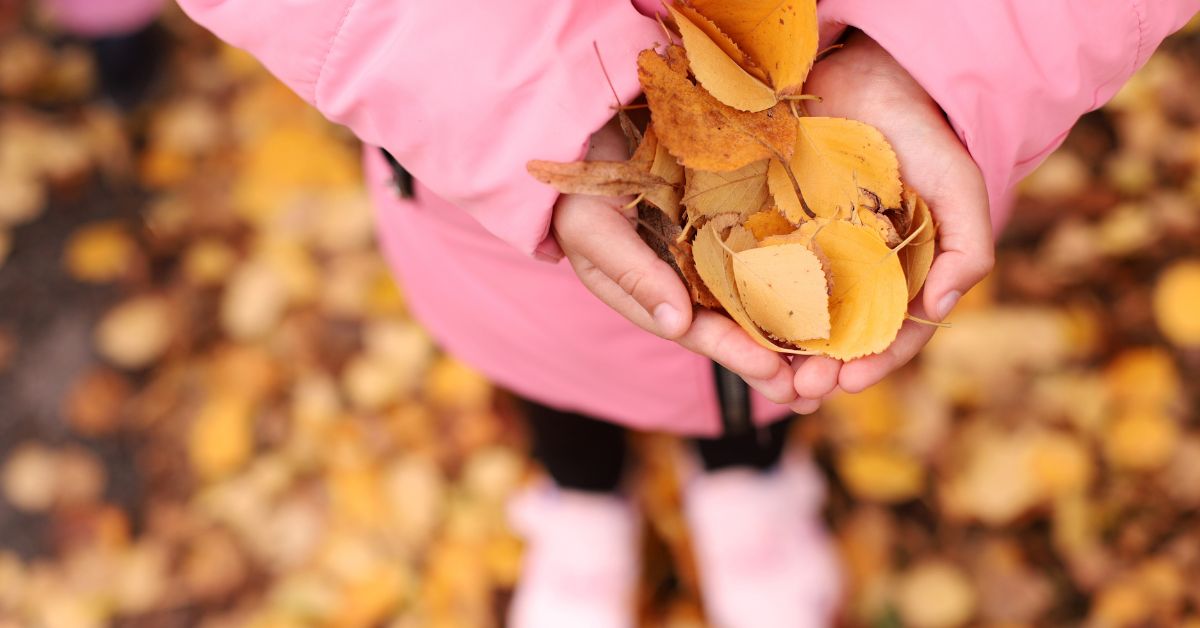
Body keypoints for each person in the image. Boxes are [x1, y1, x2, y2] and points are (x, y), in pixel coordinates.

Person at [73, 0, 1200, 625]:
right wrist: (529, 93)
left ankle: (748, 486)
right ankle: (577, 499)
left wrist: (957, 47)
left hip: (853, 145)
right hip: (498, 183)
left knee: (775, 377)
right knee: (548, 369)